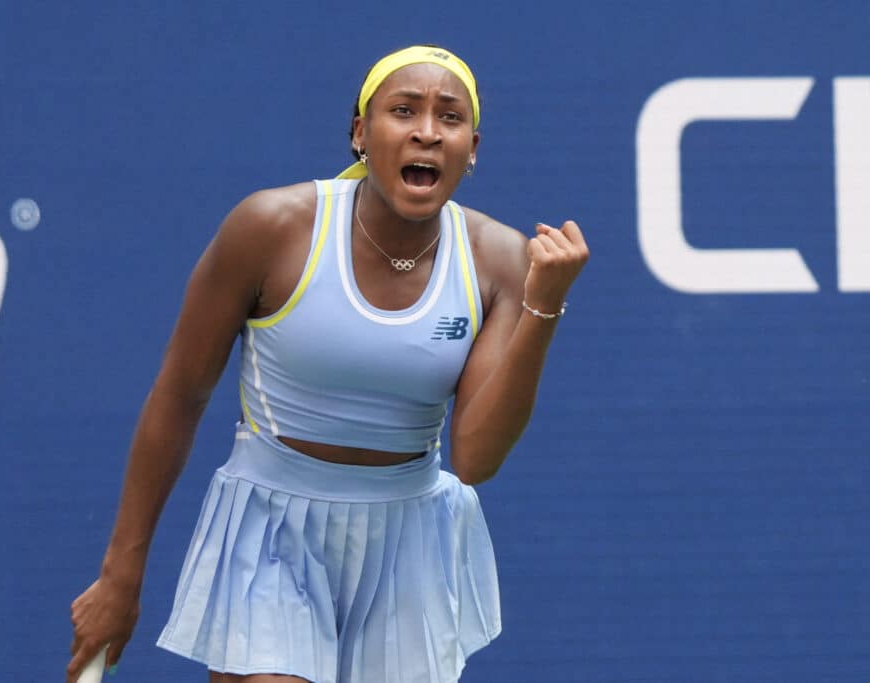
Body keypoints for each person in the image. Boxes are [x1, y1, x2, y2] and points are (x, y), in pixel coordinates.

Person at [67, 45, 588, 683]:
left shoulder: (501, 259)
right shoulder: (270, 228)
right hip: (270, 535)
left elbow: (476, 459)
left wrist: (542, 307)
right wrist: (121, 576)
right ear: (361, 134)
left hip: (410, 546)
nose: (427, 130)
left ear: (471, 148)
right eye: (404, 111)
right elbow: (179, 396)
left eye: (449, 118)